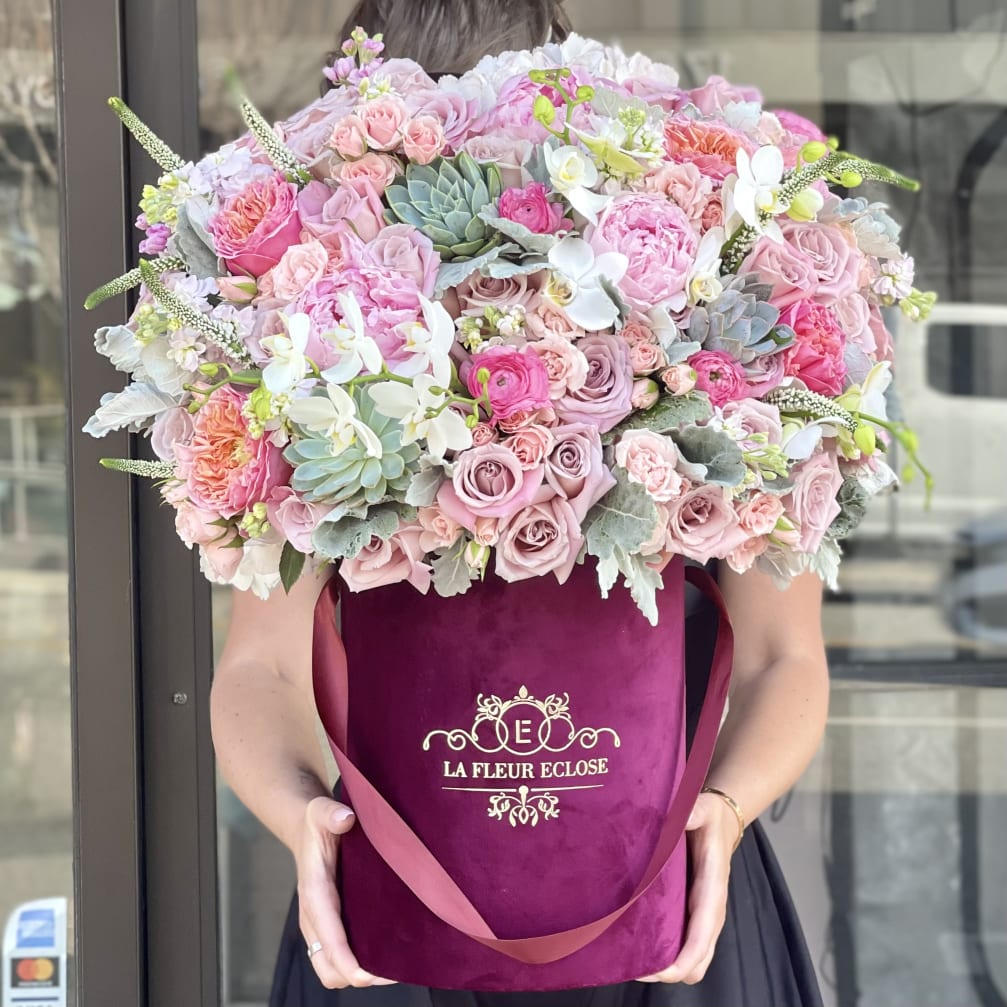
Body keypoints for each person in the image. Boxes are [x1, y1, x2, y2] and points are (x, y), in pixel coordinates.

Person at [210, 3, 831, 1005]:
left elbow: (781, 655)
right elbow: (257, 665)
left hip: (659, 900)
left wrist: (723, 809)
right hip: (399, 898)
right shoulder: (316, 347)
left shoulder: (684, 326)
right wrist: (300, 819)